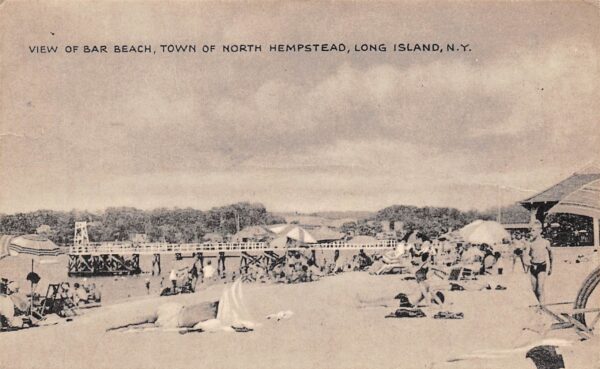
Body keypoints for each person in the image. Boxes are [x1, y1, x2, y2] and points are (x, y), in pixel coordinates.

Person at [523, 220, 553, 304]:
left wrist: (551, 267)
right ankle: (540, 305)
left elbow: (551, 255)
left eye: (533, 230)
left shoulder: (545, 242)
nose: (531, 233)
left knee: (540, 289)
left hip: (542, 266)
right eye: (530, 230)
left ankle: (542, 307)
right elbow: (526, 255)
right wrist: (526, 261)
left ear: (540, 231)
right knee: (534, 290)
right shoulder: (530, 243)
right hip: (533, 267)